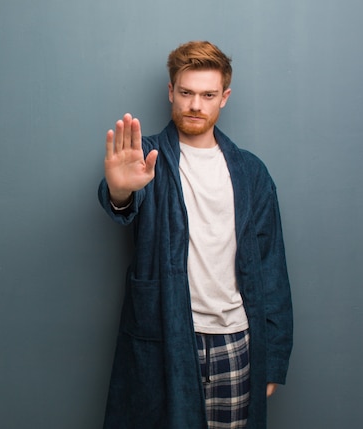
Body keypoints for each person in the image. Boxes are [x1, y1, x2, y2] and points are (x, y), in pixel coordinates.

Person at [98, 41, 293, 429]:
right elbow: (120, 204)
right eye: (186, 93)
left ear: (225, 97)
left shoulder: (251, 172)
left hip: (235, 341)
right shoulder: (145, 157)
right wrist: (121, 190)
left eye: (208, 95)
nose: (195, 105)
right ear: (171, 91)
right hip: (165, 337)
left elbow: (272, 269)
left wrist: (272, 358)